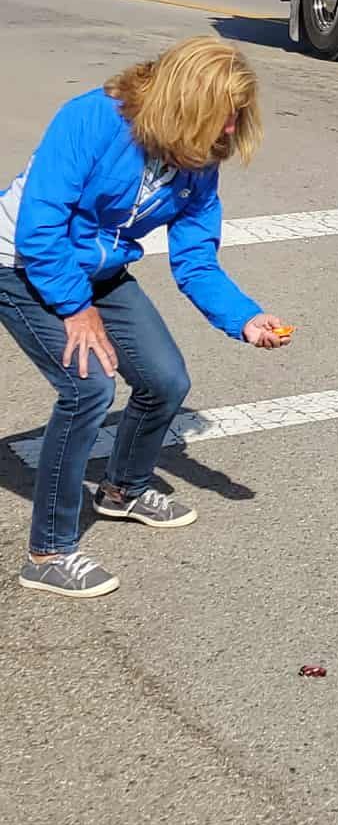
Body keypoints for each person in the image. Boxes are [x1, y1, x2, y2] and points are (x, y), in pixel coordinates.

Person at [0, 36, 291, 599]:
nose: (231, 130)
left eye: (236, 117)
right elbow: (39, 230)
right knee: (88, 389)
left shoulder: (197, 160)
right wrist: (76, 310)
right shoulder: (91, 119)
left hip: (95, 271)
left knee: (165, 380)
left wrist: (246, 317)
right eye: (223, 116)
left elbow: (196, 259)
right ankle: (48, 552)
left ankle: (121, 490)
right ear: (184, 105)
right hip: (21, 262)